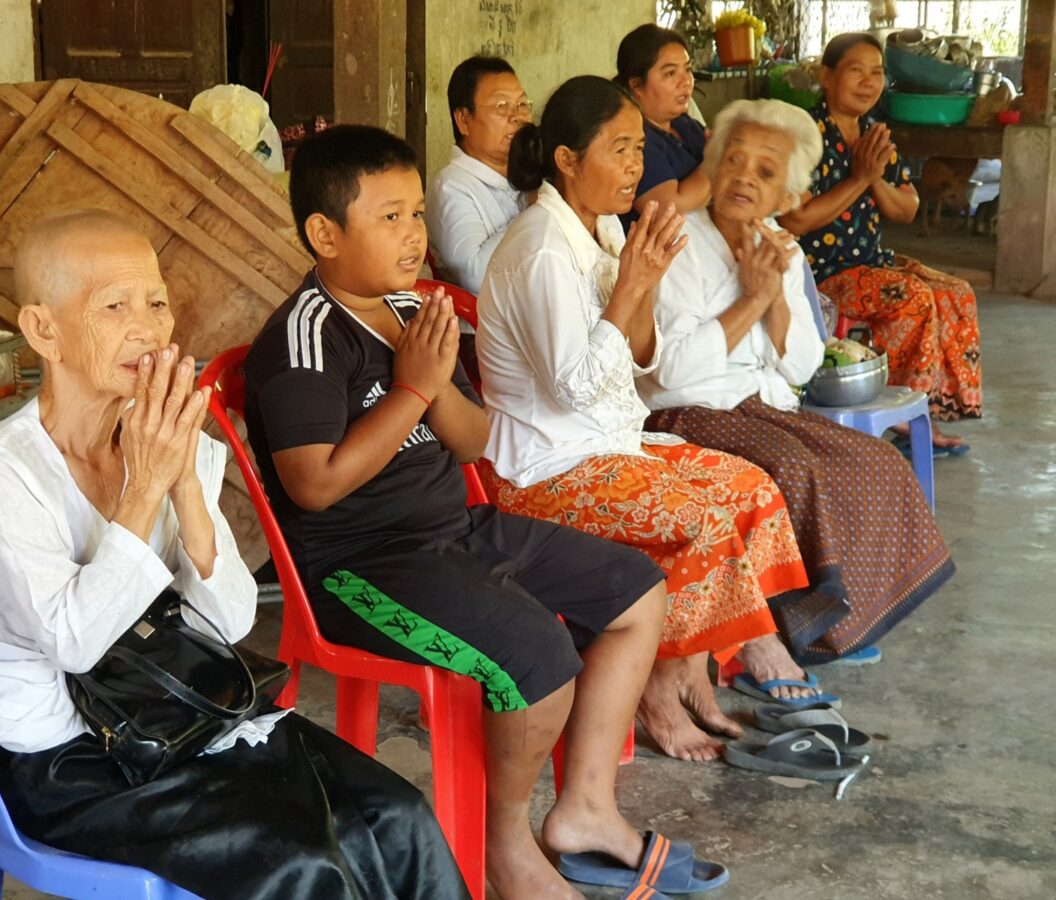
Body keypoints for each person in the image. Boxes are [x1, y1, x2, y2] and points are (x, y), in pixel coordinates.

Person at [0, 210, 471, 900]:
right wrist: (144, 488)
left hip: (177, 710)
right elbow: (73, 643)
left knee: (396, 816)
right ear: (44, 330)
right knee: (303, 866)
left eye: (156, 303)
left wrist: (186, 481)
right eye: (114, 306)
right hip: (70, 759)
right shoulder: (2, 468)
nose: (148, 327)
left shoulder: (156, 434)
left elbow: (229, 619)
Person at [244, 124, 708, 900]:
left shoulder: (403, 308)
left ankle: (586, 810)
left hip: (452, 530)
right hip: (362, 566)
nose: (413, 235)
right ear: (324, 234)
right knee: (537, 655)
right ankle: (506, 849)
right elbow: (315, 486)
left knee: (635, 591)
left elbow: (469, 440)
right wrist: (413, 390)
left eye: (418, 214)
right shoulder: (304, 339)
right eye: (388, 217)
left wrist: (435, 384)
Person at [476, 76, 819, 764]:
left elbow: (639, 359)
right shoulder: (542, 247)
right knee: (701, 522)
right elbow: (572, 389)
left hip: (609, 445)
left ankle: (692, 665)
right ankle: (663, 687)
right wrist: (632, 286)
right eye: (620, 149)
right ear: (568, 160)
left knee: (752, 492)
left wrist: (644, 284)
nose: (636, 166)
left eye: (639, 149)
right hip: (544, 468)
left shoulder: (601, 226)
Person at [638, 98, 955, 664]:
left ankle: (848, 617)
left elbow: (802, 366)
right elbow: (674, 372)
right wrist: (753, 298)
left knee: (875, 460)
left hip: (761, 408)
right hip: (682, 414)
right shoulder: (677, 243)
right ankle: (804, 628)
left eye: (765, 171)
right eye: (733, 161)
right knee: (796, 468)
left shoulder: (781, 246)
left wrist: (774, 302)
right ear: (711, 167)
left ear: (787, 195)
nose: (743, 179)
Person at [779, 32, 982, 453]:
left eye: (877, 73)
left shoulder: (875, 134)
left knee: (956, 293)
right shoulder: (804, 133)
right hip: (822, 272)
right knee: (913, 296)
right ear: (827, 77)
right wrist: (859, 179)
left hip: (871, 262)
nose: (869, 82)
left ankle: (928, 410)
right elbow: (796, 218)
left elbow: (906, 208)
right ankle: (906, 416)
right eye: (857, 71)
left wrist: (871, 178)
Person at [425, 55, 532, 294]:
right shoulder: (451, 186)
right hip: (480, 328)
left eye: (523, 105)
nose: (517, 116)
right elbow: (476, 277)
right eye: (501, 106)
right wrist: (536, 209)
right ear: (463, 120)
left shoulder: (525, 177)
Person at [615, 24, 710, 231]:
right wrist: (721, 158)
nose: (685, 81)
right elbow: (668, 208)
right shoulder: (636, 140)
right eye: (670, 74)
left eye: (687, 69)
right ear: (636, 86)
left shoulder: (684, 124)